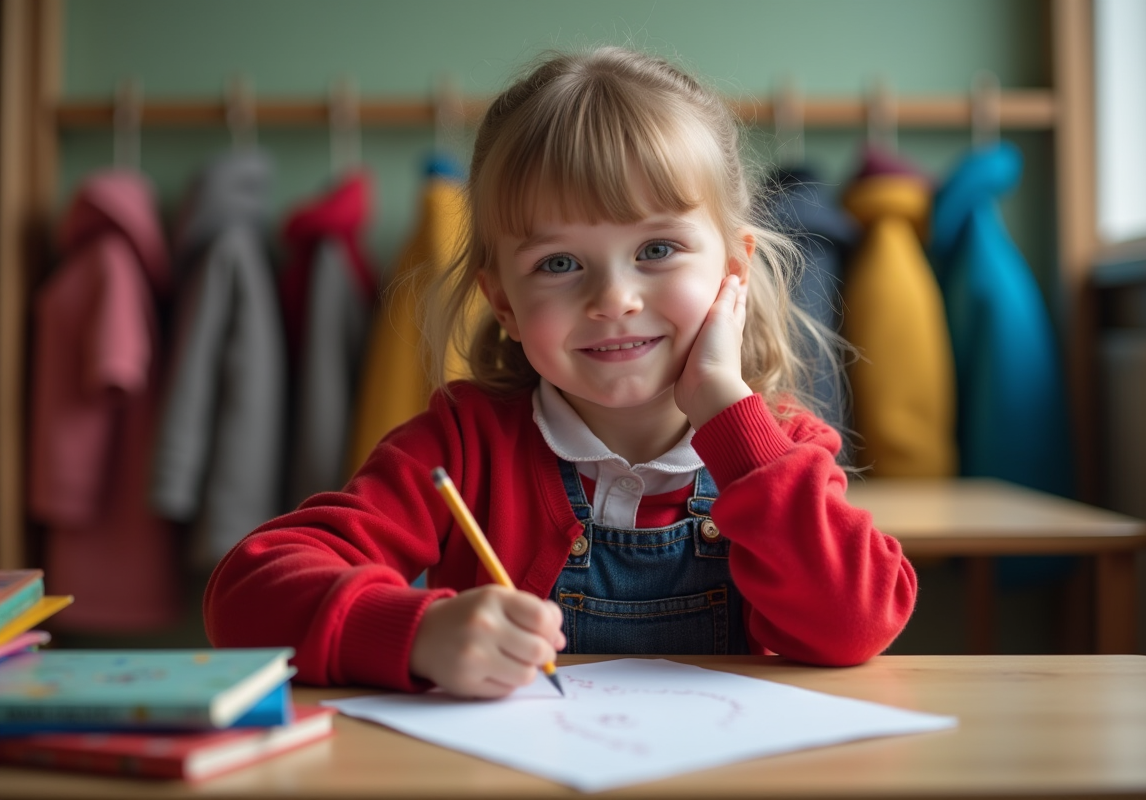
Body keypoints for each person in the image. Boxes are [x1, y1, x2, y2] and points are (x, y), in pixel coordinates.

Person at [204, 46, 917, 699]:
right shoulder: (463, 443)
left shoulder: (779, 446)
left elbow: (858, 623)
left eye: (658, 248)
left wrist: (729, 418)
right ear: (504, 304)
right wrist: (417, 633)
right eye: (559, 263)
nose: (613, 299)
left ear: (734, 271)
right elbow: (244, 595)